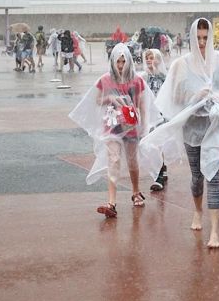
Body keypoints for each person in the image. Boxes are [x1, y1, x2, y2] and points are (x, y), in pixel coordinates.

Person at [140, 18, 219, 248]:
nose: (202, 43)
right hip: (192, 129)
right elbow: (174, 98)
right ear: (191, 38)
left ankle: (215, 233)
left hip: (214, 127)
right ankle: (198, 212)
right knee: (197, 177)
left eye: (206, 38)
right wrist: (196, 97)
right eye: (198, 38)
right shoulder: (181, 64)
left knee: (214, 178)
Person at [69, 43, 160, 218]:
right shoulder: (105, 80)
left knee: (133, 162)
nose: (120, 66)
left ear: (129, 61)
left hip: (132, 126)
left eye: (123, 62)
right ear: (112, 61)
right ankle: (112, 202)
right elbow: (96, 100)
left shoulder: (136, 80)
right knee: (114, 159)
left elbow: (142, 104)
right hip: (112, 126)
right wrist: (109, 97)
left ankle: (135, 191)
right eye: (117, 62)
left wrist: (144, 126)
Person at [139, 49, 169, 191]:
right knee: (150, 144)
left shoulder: (164, 77)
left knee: (158, 144)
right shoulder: (143, 77)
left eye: (152, 57)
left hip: (161, 116)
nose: (150, 60)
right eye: (147, 58)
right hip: (148, 116)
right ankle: (162, 167)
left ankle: (159, 176)